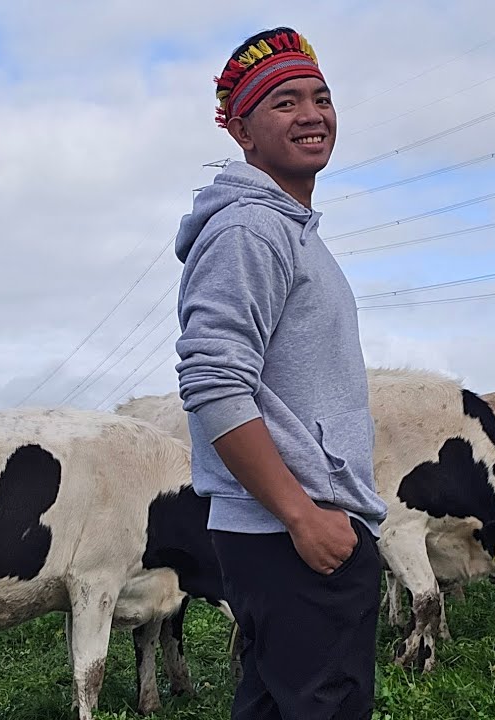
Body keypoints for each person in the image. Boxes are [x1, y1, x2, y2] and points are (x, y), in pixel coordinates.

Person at [173, 26, 388, 720]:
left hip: (299, 527)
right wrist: (301, 515)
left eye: (321, 98)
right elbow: (213, 380)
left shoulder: (290, 229)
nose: (312, 115)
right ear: (242, 130)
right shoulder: (251, 231)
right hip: (294, 531)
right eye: (285, 102)